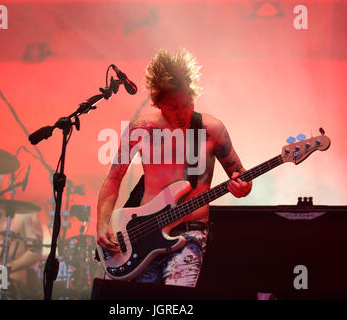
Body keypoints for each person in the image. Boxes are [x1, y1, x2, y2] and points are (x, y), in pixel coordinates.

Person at [96, 48, 252, 287]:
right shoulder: (141, 129)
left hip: (190, 233)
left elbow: (240, 175)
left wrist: (242, 187)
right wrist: (103, 224)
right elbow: (113, 179)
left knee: (176, 303)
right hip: (142, 234)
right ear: (158, 102)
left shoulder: (212, 129)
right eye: (173, 107)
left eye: (187, 104)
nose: (182, 113)